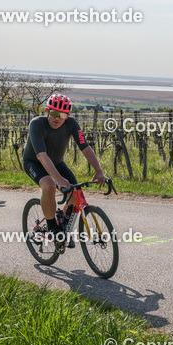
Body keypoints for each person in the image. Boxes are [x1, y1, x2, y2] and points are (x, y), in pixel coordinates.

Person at [22, 94, 108, 243]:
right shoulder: (36, 124)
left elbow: (85, 147)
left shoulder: (72, 124)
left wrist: (99, 171)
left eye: (62, 115)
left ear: (67, 116)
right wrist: (59, 180)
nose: (57, 118)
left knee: (76, 192)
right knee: (49, 184)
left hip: (57, 162)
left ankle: (63, 225)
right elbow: (42, 156)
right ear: (47, 110)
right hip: (34, 162)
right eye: (54, 113)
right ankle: (52, 228)